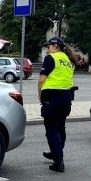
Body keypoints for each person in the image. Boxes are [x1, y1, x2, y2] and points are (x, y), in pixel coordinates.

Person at [38, 37, 75, 173]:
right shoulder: (69, 61)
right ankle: (56, 151)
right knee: (60, 126)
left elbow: (42, 79)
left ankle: (58, 162)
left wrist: (40, 94)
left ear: (56, 46)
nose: (48, 49)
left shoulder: (51, 58)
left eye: (49, 46)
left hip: (52, 97)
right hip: (66, 98)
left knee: (51, 129)